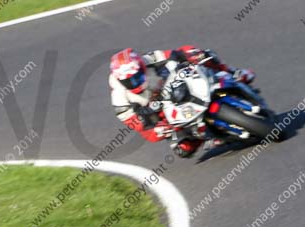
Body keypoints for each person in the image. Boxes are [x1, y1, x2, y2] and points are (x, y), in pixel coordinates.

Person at [109, 46, 256, 158]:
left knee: (201, 54)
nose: (135, 82)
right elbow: (144, 131)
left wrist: (191, 55)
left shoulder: (149, 59)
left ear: (141, 65)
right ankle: (206, 136)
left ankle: (233, 73)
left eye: (138, 76)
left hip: (174, 85)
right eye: (129, 81)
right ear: (120, 80)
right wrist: (158, 130)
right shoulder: (120, 101)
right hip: (161, 113)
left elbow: (176, 53)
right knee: (183, 149)